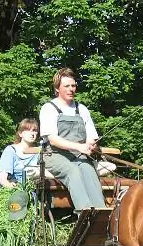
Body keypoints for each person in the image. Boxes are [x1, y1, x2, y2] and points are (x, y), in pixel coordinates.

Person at [39, 67, 106, 211]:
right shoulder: (48, 108)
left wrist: (91, 145)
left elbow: (92, 137)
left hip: (79, 155)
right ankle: (84, 214)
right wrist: (79, 147)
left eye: (73, 85)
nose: (71, 89)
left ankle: (102, 214)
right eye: (66, 86)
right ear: (57, 89)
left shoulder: (82, 109)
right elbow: (53, 140)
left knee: (89, 170)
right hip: (54, 155)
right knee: (73, 171)